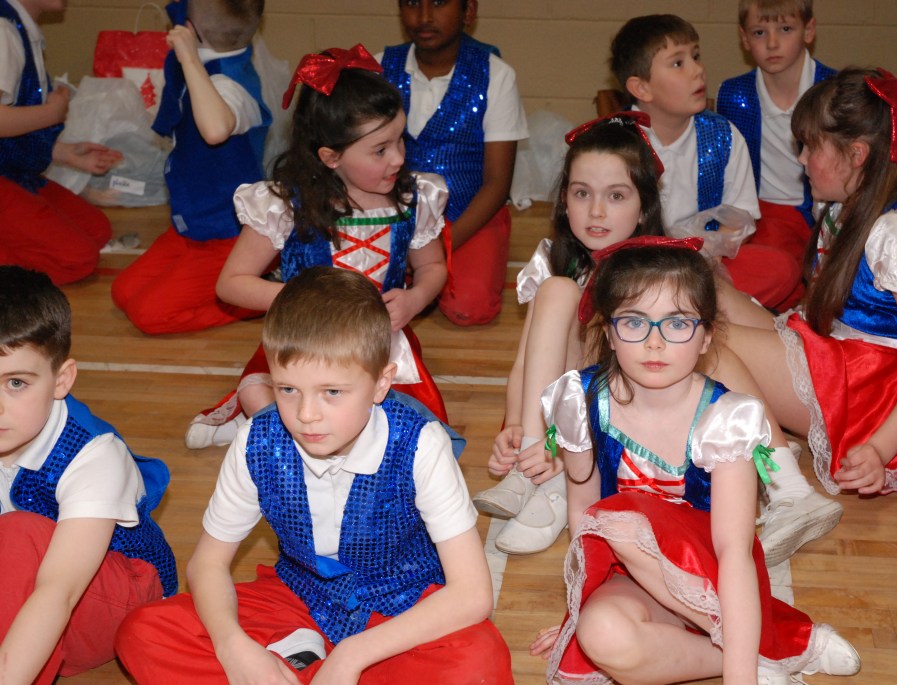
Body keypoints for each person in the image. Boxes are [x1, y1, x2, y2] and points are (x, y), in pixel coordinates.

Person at [115, 266, 513, 685]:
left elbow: (472, 594)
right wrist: (232, 646)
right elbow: (208, 564)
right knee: (144, 633)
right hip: (298, 598)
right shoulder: (257, 440)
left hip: (401, 608)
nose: (306, 414)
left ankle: (302, 665)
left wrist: (352, 656)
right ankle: (300, 659)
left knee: (476, 660)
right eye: (288, 389)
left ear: (381, 383)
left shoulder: (420, 443)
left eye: (332, 392)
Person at [528, 240, 860, 685]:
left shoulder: (726, 417)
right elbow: (583, 520)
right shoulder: (581, 400)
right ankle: (768, 653)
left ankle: (763, 648)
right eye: (634, 322)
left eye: (678, 323)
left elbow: (734, 553)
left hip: (714, 574)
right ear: (608, 332)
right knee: (601, 634)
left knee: (621, 519)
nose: (655, 342)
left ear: (706, 336)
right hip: (629, 572)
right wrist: (578, 612)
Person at [718, 69, 897, 517]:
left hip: (868, 395)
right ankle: (764, 432)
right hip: (836, 357)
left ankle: (789, 489)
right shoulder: (842, 207)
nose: (801, 159)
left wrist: (879, 448)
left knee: (707, 343)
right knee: (704, 294)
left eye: (810, 146)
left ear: (857, 154)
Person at [184, 46, 449, 450]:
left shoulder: (413, 198)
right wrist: (309, 303)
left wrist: (415, 298)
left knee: (403, 432)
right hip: (305, 345)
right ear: (330, 157)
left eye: (400, 140)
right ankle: (258, 422)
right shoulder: (286, 204)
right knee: (264, 395)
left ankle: (275, 431)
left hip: (377, 349)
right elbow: (232, 284)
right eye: (380, 149)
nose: (398, 158)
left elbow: (433, 268)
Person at [473, 112, 666, 555]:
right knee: (557, 290)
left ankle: (564, 480)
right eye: (582, 193)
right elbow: (524, 364)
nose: (596, 211)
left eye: (616, 196)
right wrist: (516, 425)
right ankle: (531, 461)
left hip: (626, 422)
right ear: (564, 201)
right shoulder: (555, 264)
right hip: (552, 423)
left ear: (644, 208)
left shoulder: (658, 274)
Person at [0, 265, 176, 685]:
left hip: (110, 598)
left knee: (21, 532)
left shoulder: (93, 456)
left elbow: (58, 593)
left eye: (16, 383)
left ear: (61, 380)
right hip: (27, 588)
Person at [610, 14, 802, 312]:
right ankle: (695, 311)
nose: (698, 70)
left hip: (702, 266)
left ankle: (680, 310)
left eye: (696, 56)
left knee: (781, 268)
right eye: (678, 63)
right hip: (632, 268)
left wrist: (707, 255)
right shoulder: (612, 143)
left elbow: (739, 218)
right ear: (641, 88)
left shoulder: (724, 135)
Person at [111, 0, 271, 335]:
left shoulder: (231, 82)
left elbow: (215, 130)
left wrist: (189, 58)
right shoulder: (210, 61)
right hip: (193, 226)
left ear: (189, 30)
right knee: (123, 293)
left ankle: (262, 292)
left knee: (148, 315)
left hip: (227, 235)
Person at [380, 0, 529, 326]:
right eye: (412, 3)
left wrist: (440, 247)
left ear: (468, 11)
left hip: (467, 216)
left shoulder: (496, 75)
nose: (424, 16)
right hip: (392, 215)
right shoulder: (377, 69)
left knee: (469, 307)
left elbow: (497, 183)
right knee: (362, 293)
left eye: (438, 2)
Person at [717, 0, 835, 306]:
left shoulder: (834, 89)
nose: (772, 43)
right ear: (744, 38)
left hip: (828, 210)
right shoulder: (735, 94)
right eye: (759, 32)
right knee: (776, 270)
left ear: (809, 30)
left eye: (785, 29)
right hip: (765, 214)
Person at [0, 0, 122, 285]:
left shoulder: (20, 26)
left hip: (11, 171)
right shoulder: (3, 30)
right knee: (74, 259)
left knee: (95, 230)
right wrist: (51, 114)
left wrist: (62, 152)